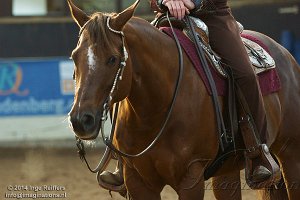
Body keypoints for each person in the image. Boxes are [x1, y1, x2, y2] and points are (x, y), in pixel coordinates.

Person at [100, 0, 280, 189]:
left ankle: (258, 152)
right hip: (166, 19)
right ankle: (122, 157)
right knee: (126, 66)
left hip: (213, 18)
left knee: (245, 74)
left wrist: (193, 2)